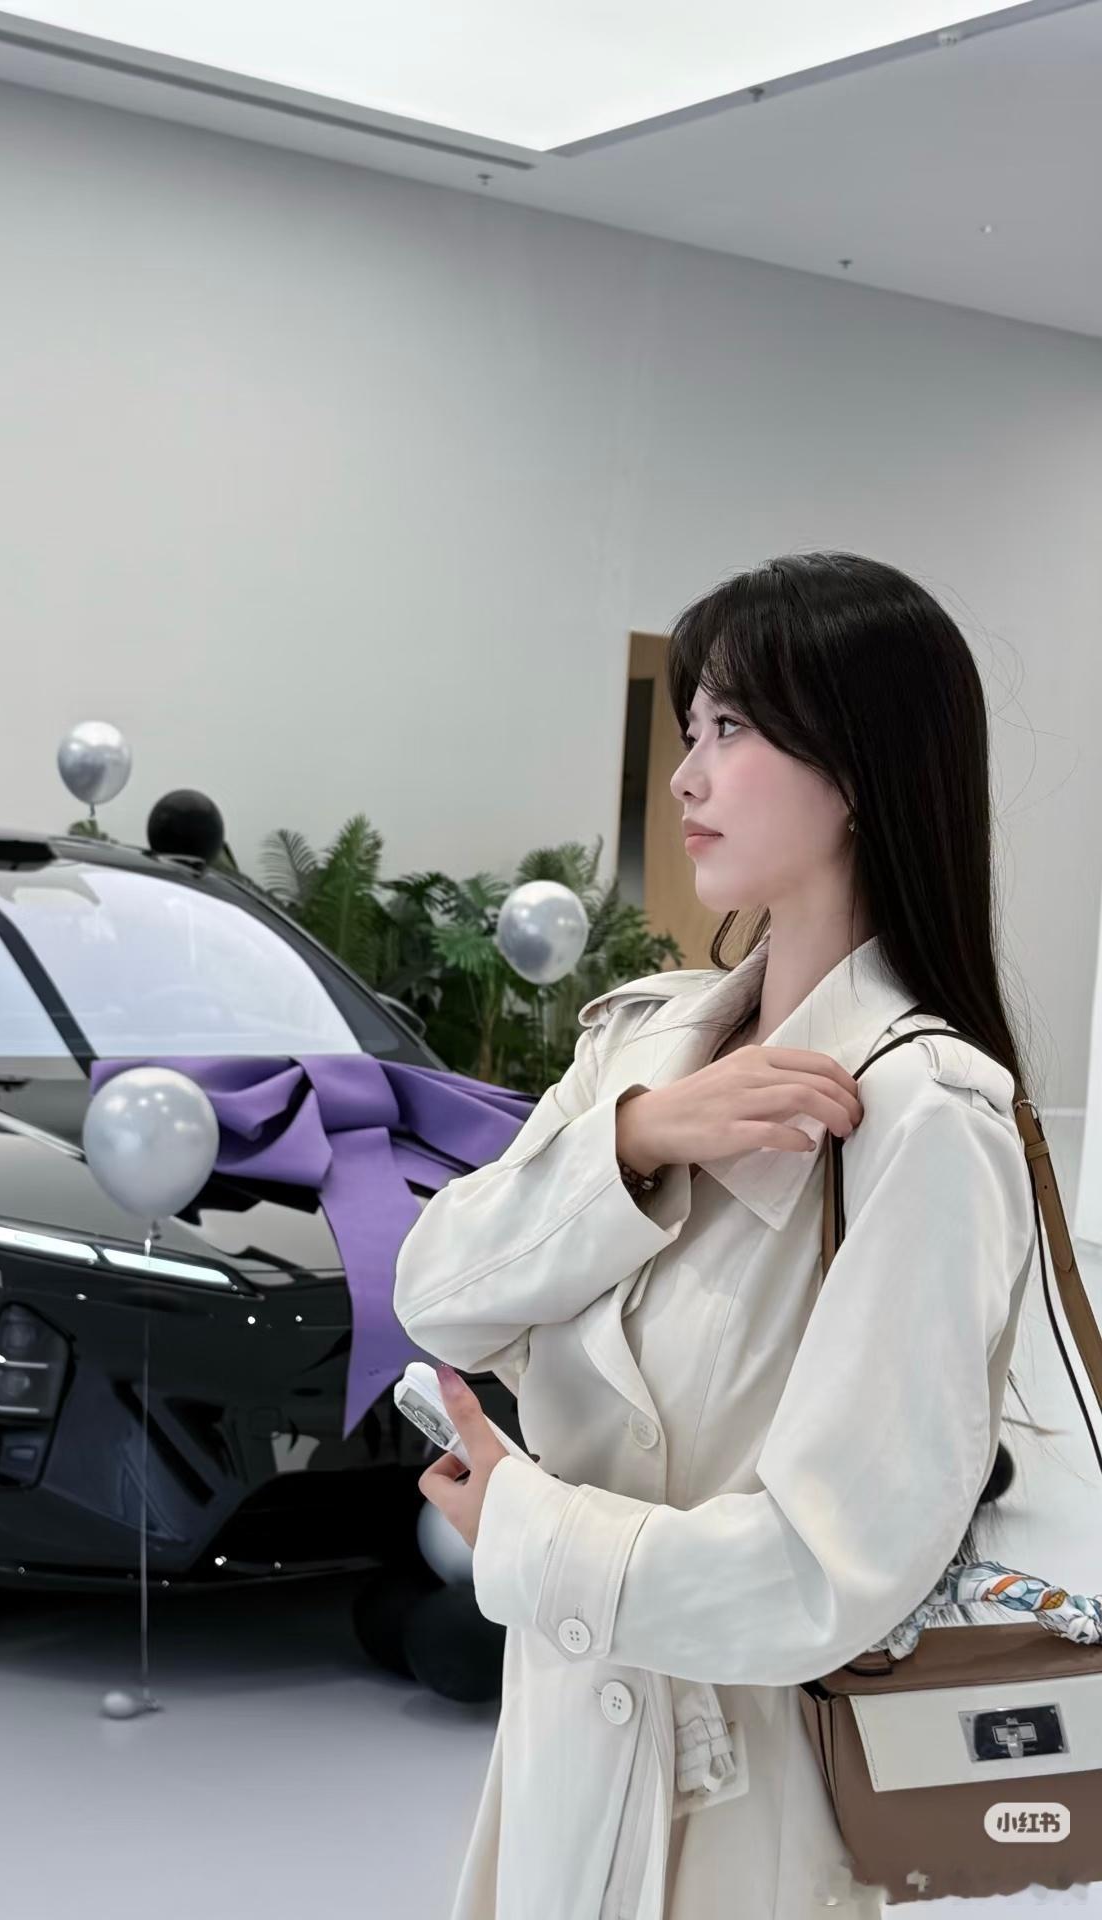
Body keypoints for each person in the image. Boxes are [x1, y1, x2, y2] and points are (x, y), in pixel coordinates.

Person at [392, 552, 1046, 1920]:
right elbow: (438, 1292)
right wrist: (636, 1141)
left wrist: (525, 1528)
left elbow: (830, 1570)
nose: (687, 776)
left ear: (857, 767)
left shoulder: (928, 1119)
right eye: (690, 730)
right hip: (565, 1751)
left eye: (731, 729)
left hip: (744, 1812)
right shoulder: (641, 1049)